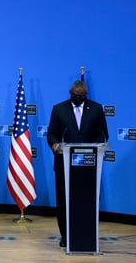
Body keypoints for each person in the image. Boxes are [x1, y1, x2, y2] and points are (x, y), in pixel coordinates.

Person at [47, 80, 108, 248]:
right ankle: (65, 235)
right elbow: (52, 133)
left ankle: (85, 234)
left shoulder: (96, 108)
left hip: (88, 166)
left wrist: (93, 146)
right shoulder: (59, 109)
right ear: (70, 93)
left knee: (86, 200)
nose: (78, 98)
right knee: (64, 200)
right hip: (63, 164)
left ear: (86, 95)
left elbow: (103, 134)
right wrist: (54, 145)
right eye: (75, 96)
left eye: (81, 96)